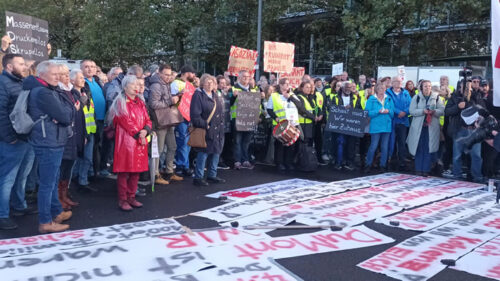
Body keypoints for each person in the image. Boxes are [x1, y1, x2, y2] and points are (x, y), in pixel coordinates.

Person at [25, 61, 75, 233]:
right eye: (54, 74)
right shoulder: (43, 93)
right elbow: (67, 115)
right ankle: (45, 221)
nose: (58, 77)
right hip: (49, 141)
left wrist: (64, 113)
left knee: (52, 180)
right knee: (47, 183)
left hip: (52, 139)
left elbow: (68, 111)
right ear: (42, 74)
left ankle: (56, 212)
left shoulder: (48, 90)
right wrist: (64, 113)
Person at [0, 53, 37, 230]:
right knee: (7, 178)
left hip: (25, 138)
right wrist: (10, 137)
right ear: (9, 66)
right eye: (21, 64)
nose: (25, 67)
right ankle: (3, 214)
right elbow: (1, 113)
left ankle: (19, 205)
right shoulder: (3, 84)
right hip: (12, 141)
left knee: (22, 175)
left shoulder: (20, 82)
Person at [108, 75, 152, 211]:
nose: (137, 87)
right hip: (126, 143)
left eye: (138, 85)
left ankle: (131, 196)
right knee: (124, 172)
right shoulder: (120, 103)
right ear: (125, 86)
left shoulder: (140, 102)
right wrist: (140, 134)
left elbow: (147, 119)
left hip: (138, 141)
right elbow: (125, 121)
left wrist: (146, 130)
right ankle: (123, 199)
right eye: (133, 84)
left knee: (136, 171)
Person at [445, 79, 486, 182]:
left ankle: (477, 177)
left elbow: (484, 112)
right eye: (465, 86)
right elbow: (447, 111)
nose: (468, 88)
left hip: (474, 131)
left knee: (476, 155)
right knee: (457, 155)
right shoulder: (454, 97)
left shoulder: (477, 96)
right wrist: (457, 107)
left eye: (469, 86)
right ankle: (457, 175)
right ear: (461, 87)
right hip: (459, 130)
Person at [57, 66, 86, 210]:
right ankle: (58, 198)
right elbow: (64, 114)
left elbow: (81, 118)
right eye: (63, 74)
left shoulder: (73, 92)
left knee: (68, 168)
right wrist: (73, 110)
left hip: (76, 134)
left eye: (67, 74)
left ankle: (64, 195)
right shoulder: (58, 92)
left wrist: (83, 135)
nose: (66, 77)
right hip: (65, 136)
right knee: (62, 168)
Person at [149, 64, 183, 184]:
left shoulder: (165, 84)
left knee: (172, 146)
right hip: (160, 121)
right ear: (159, 73)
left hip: (167, 120)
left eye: (170, 75)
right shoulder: (156, 85)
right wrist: (170, 101)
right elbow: (153, 104)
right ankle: (155, 174)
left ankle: (169, 171)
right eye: (166, 74)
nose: (168, 77)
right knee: (158, 149)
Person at [190, 74, 225, 186]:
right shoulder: (198, 95)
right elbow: (195, 115)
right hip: (205, 129)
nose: (209, 84)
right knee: (203, 153)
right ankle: (198, 177)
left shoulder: (216, 95)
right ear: (202, 83)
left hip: (217, 130)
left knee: (216, 152)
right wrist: (206, 125)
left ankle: (212, 175)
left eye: (212, 82)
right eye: (207, 82)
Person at [407, 80, 444, 176]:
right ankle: (418, 169)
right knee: (419, 148)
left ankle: (426, 170)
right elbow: (411, 111)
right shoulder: (416, 97)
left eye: (429, 86)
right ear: (421, 88)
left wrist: (434, 111)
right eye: (425, 86)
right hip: (419, 127)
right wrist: (422, 111)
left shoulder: (437, 98)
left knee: (428, 148)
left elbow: (442, 111)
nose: (427, 88)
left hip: (431, 128)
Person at [267, 78, 305, 171]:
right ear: (280, 85)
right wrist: (275, 117)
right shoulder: (274, 96)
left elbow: (300, 106)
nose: (288, 86)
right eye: (286, 84)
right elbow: (269, 109)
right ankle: (279, 163)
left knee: (290, 144)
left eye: (289, 84)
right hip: (280, 123)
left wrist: (290, 97)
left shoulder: (292, 95)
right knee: (280, 145)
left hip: (292, 123)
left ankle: (288, 162)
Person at [230, 70, 258, 170]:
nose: (246, 78)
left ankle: (245, 160)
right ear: (239, 78)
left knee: (246, 141)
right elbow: (229, 103)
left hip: (250, 119)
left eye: (248, 77)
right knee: (237, 141)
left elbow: (256, 105)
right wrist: (233, 96)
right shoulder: (233, 89)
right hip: (237, 119)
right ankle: (237, 161)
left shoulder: (254, 91)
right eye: (244, 77)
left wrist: (262, 98)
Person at [171, 65, 196, 177]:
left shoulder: (190, 85)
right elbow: (172, 99)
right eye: (192, 73)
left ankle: (185, 165)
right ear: (186, 73)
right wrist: (180, 93)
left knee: (188, 142)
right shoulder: (175, 84)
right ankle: (181, 165)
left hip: (189, 116)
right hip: (180, 116)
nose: (194, 76)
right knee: (182, 141)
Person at [364, 83, 394, 172]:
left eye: (383, 88)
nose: (382, 90)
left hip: (386, 125)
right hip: (375, 126)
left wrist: (388, 111)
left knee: (385, 147)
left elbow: (392, 112)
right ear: (376, 89)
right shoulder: (371, 99)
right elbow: (368, 112)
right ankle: (368, 164)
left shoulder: (389, 98)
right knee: (373, 146)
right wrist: (378, 111)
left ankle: (383, 165)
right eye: (380, 88)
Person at [332, 81, 362, 170]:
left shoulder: (356, 98)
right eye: (346, 87)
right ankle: (339, 162)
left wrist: (351, 109)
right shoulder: (336, 98)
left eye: (349, 88)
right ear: (342, 88)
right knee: (340, 143)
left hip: (351, 125)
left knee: (351, 145)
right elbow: (332, 109)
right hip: (339, 125)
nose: (348, 89)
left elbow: (359, 109)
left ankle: (349, 162)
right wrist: (342, 108)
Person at [386, 76, 412, 171]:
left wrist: (405, 112)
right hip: (392, 121)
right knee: (391, 141)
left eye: (400, 81)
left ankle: (402, 161)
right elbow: (388, 105)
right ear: (392, 83)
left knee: (402, 142)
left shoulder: (406, 93)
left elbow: (410, 104)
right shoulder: (387, 93)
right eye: (396, 81)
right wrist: (398, 112)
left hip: (403, 121)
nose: (399, 83)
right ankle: (392, 160)